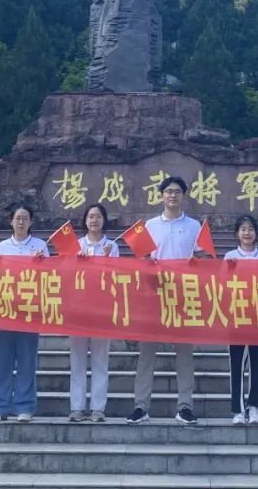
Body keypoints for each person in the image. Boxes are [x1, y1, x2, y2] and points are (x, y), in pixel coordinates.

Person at [127, 176, 203, 426]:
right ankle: (141, 406)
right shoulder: (149, 226)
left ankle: (185, 407)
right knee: (146, 353)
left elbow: (203, 259)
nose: (172, 195)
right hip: (154, 294)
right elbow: (140, 259)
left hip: (183, 294)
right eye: (168, 191)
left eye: (177, 191)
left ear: (183, 196)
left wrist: (195, 265)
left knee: (185, 353)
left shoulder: (194, 226)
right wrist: (147, 264)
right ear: (161, 196)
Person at [0, 205, 48, 423]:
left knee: (27, 361)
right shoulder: (2, 247)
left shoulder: (40, 246)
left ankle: (25, 406)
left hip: (29, 311)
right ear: (10, 221)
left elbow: (50, 278)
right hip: (5, 310)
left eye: (25, 218)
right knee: (2, 361)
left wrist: (43, 264)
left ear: (31, 222)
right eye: (17, 218)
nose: (21, 222)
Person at [69, 203, 118, 422]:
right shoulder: (76, 245)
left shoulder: (112, 246)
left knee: (100, 360)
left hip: (102, 309)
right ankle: (77, 407)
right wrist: (76, 263)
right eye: (91, 216)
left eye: (98, 216)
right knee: (77, 360)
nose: (94, 220)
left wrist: (107, 260)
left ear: (104, 220)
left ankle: (98, 408)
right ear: (85, 220)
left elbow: (117, 277)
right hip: (78, 309)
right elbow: (65, 275)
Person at [224, 215, 258, 425]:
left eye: (250, 228)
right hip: (237, 315)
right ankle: (238, 409)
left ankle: (254, 407)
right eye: (243, 229)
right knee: (236, 364)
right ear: (237, 233)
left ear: (256, 233)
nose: (247, 232)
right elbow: (222, 284)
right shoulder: (230, 256)